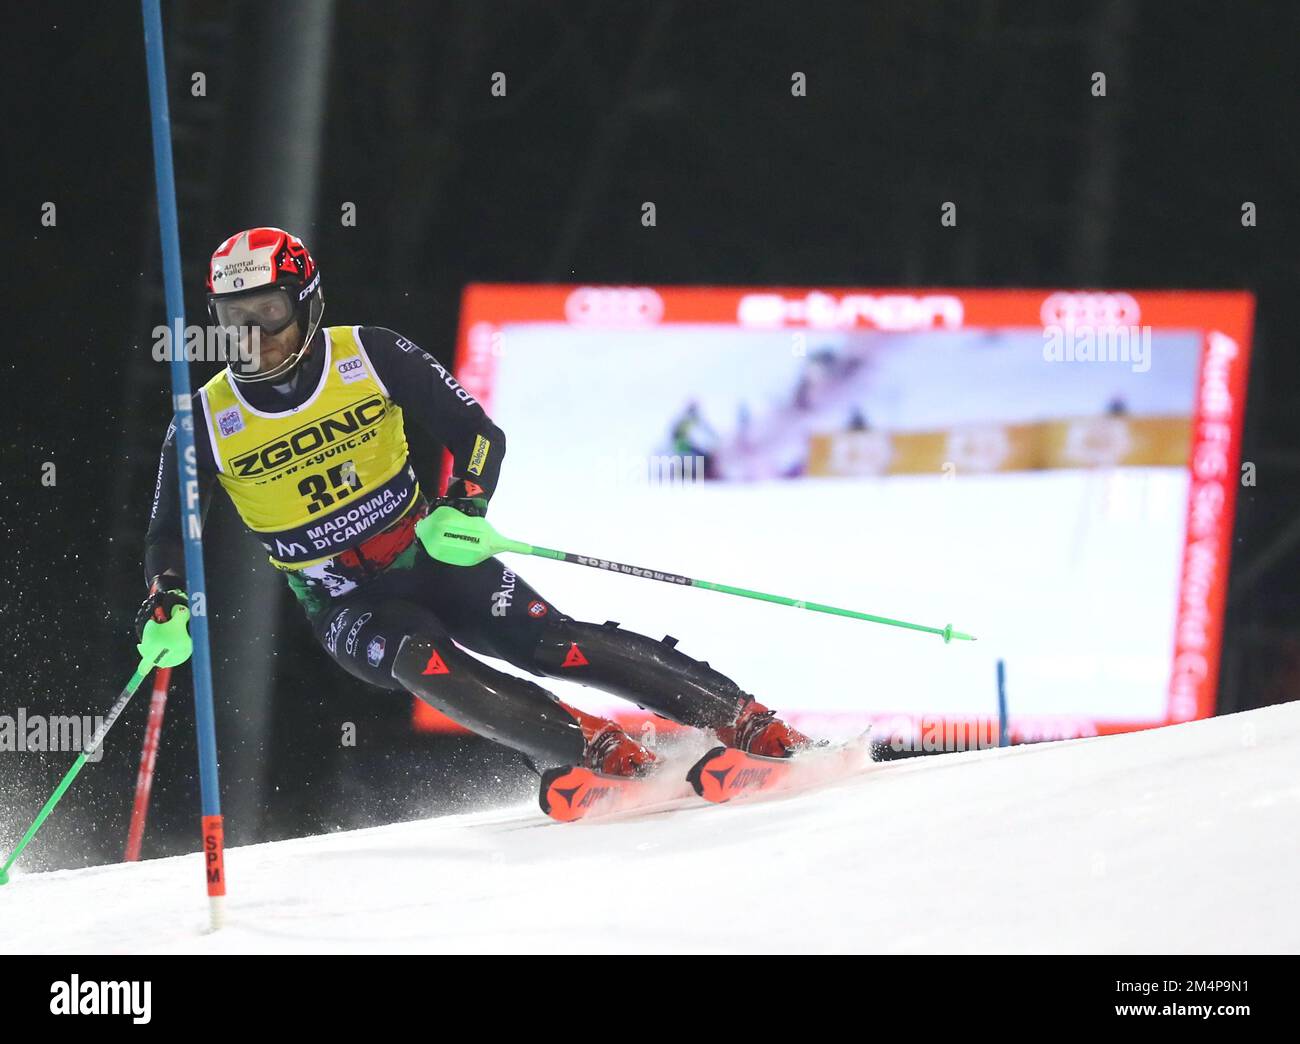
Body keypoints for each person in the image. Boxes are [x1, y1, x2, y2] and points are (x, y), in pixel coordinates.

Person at [138, 227, 809, 780]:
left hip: (428, 554)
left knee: (552, 643)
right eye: (235, 321)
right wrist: (165, 598)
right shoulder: (201, 420)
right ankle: (589, 750)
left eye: (269, 315)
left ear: (306, 302)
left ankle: (741, 715)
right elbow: (170, 533)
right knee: (424, 665)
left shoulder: (370, 353)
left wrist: (466, 503)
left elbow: (479, 435)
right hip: (344, 602)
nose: (254, 338)